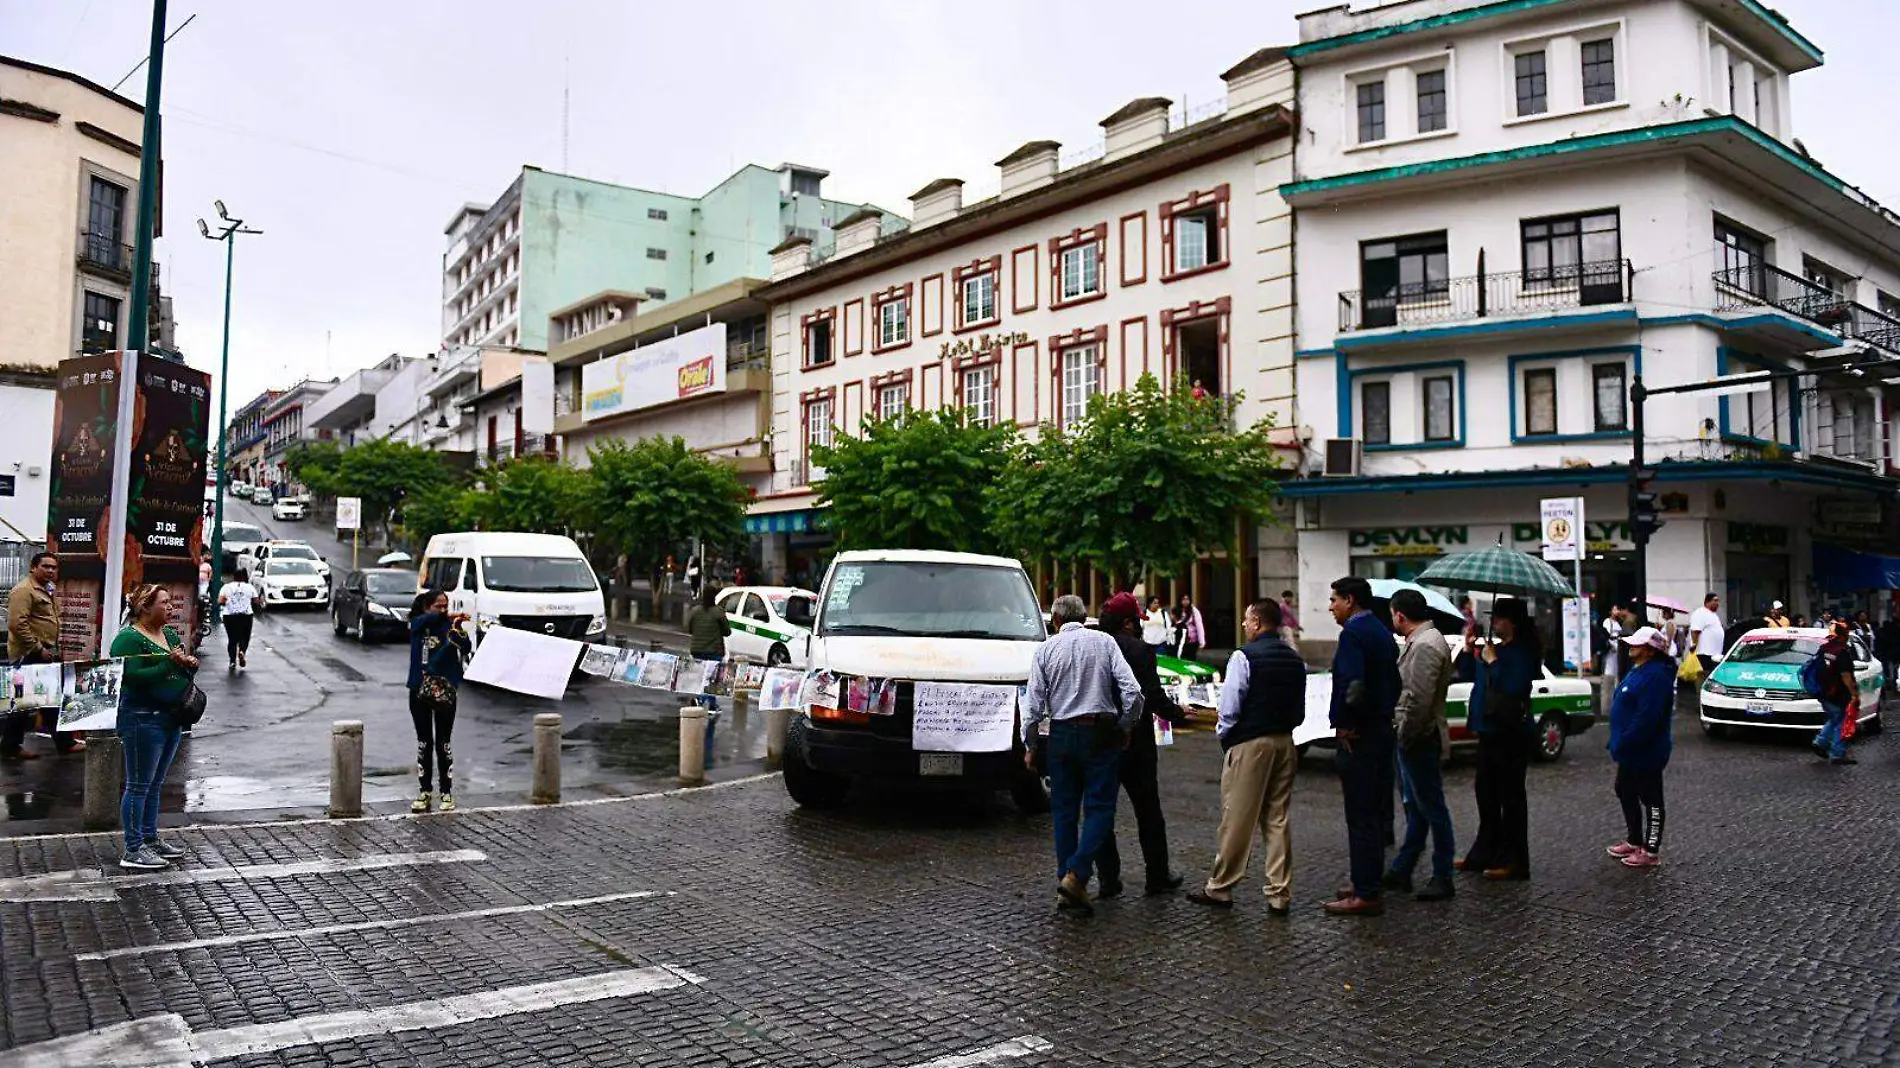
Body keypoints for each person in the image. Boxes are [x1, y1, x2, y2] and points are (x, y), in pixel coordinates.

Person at [1021, 594, 1143, 916]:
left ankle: (1067, 883)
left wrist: (1031, 745)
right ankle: (1077, 875)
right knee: (1100, 808)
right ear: (1085, 616)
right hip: (1099, 733)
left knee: (1063, 812)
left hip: (1060, 734)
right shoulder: (1104, 643)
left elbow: (1032, 706)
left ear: (1055, 621)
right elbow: (1133, 692)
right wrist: (1125, 726)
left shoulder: (1044, 651)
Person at [1187, 598, 1305, 914]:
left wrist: (1227, 739)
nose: (1243, 625)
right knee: (1277, 818)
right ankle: (1280, 893)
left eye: (1246, 620)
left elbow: (1229, 709)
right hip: (1285, 740)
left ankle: (1220, 887)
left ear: (1256, 623)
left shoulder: (1244, 656)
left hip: (1251, 743)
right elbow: (1300, 706)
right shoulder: (1294, 659)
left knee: (1237, 818)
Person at [1093, 592, 1187, 898]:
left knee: (1102, 810)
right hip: (1137, 742)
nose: (1141, 627)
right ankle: (1156, 875)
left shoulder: (1093, 647)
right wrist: (1177, 713)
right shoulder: (1140, 651)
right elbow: (1152, 696)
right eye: (1138, 621)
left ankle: (1108, 878)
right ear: (1128, 623)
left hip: (1101, 738)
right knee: (1148, 809)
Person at [1324, 576, 1400, 917]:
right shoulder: (1383, 632)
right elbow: (1394, 682)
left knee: (1361, 815)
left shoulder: (1353, 633)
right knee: (1376, 812)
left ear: (1350, 600)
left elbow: (1353, 686)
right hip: (1382, 729)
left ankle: (1366, 891)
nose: (1331, 607)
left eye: (1335, 600)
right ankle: (1366, 880)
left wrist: (1347, 723)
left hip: (1362, 735)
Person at [111, 584, 198, 870]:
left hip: (170, 717)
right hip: (141, 718)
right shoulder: (128, 639)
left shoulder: (169, 634)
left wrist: (187, 664)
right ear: (145, 607)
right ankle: (133, 848)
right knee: (138, 784)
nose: (170, 607)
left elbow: (177, 669)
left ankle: (149, 838)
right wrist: (168, 664)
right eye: (164, 602)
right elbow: (130, 677)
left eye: (171, 602)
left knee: (154, 783)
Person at [1457, 597, 1539, 881]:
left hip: (1509, 734)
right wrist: (1470, 652)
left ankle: (1515, 860)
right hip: (1487, 731)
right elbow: (1472, 676)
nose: (1493, 623)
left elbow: (1513, 687)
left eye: (1499, 619)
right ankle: (1483, 852)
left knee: (1510, 798)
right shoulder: (1496, 649)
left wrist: (1493, 663)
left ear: (1512, 622)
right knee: (1486, 797)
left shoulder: (1522, 653)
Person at [1383, 589, 1456, 901]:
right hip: (1417, 736)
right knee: (1418, 807)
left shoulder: (1426, 644)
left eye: (1392, 615)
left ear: (1400, 615)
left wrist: (1405, 733)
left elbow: (1419, 699)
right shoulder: (1423, 641)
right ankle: (1402, 868)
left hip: (1419, 738)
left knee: (1431, 807)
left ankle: (1442, 875)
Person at [1607, 626, 1675, 869]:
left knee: (1651, 798)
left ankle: (1651, 849)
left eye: (1636, 644)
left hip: (1646, 749)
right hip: (1629, 749)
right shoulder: (1640, 670)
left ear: (1648, 650)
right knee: (1624, 789)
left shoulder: (1656, 676)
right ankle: (1634, 839)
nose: (1630, 647)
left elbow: (1648, 717)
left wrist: (1627, 738)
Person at [7, 552, 83, 758]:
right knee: (24, 703)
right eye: (45, 566)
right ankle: (11, 746)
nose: (50, 570)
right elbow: (17, 624)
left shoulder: (47, 590)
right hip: (29, 654)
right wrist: (37, 648)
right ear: (33, 568)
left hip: (43, 653)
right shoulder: (24, 591)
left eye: (53, 567)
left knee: (49, 699)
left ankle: (63, 742)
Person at [407, 589, 472, 813]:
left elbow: (466, 649)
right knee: (424, 742)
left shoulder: (450, 627)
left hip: (445, 691)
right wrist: (443, 617)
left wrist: (460, 635)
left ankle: (446, 792)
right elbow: (417, 623)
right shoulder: (419, 624)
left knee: (443, 743)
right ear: (427, 607)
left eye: (446, 606)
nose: (444, 610)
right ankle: (424, 791)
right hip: (419, 690)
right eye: (439, 606)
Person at [1811, 619, 1859, 766]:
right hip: (1838, 694)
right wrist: (1855, 695)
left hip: (1823, 691)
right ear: (1843, 635)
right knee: (1842, 721)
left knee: (1835, 718)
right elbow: (1846, 676)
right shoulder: (1842, 652)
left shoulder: (1824, 648)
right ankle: (1837, 753)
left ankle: (1821, 742)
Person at [684, 585, 730, 711]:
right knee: (712, 680)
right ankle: (701, 700)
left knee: (702, 678)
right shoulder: (718, 612)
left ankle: (712, 705)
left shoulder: (695, 611)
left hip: (697, 650)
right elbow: (727, 631)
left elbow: (689, 629)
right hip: (714, 651)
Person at [218, 569, 256, 673]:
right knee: (245, 636)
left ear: (233, 576)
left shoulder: (226, 587)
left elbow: (220, 600)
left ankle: (232, 661)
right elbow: (256, 600)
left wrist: (229, 602)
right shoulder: (249, 587)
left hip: (230, 616)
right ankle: (242, 651)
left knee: (232, 639)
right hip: (246, 615)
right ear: (244, 577)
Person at [1689, 593, 1725, 675]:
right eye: (1715, 600)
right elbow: (1695, 630)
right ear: (1707, 602)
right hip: (1704, 654)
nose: (1717, 603)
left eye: (1718, 601)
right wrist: (1694, 644)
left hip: (1715, 655)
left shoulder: (1713, 615)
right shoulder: (1700, 613)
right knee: (1705, 676)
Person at [1174, 595, 1205, 662]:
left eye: (1187, 599)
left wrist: (1201, 641)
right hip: (1180, 640)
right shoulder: (1177, 610)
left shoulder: (1194, 611)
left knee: (1191, 660)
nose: (1185, 601)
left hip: (1191, 641)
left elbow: (1199, 626)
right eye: (1183, 599)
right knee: (1180, 659)